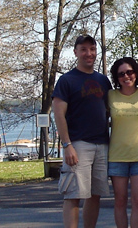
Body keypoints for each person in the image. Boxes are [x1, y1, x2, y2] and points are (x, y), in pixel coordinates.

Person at [52, 35, 112, 228]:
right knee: (74, 195)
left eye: (92, 49)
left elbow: (111, 112)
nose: (89, 53)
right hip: (78, 145)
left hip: (102, 145)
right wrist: (67, 144)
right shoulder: (67, 80)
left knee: (94, 195)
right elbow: (59, 115)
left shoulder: (103, 81)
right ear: (76, 52)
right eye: (84, 49)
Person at [108, 57, 138, 228]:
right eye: (121, 74)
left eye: (129, 72)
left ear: (136, 73)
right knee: (119, 201)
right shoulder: (110, 95)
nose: (126, 76)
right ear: (116, 77)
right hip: (117, 156)